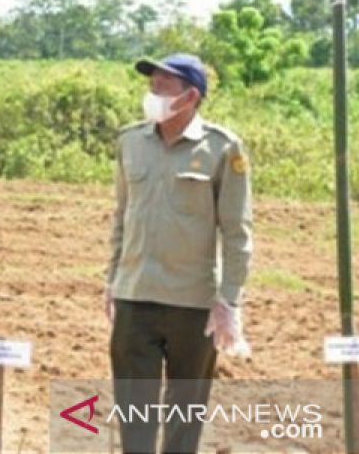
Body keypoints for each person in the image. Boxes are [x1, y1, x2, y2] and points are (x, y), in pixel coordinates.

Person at [105, 53, 253, 454]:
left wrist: (229, 301)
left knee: (184, 419)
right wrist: (112, 281)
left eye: (161, 88)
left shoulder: (223, 149)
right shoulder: (131, 142)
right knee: (134, 415)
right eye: (150, 87)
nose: (150, 95)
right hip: (135, 299)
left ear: (190, 96)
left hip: (193, 306)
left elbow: (237, 232)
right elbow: (121, 217)